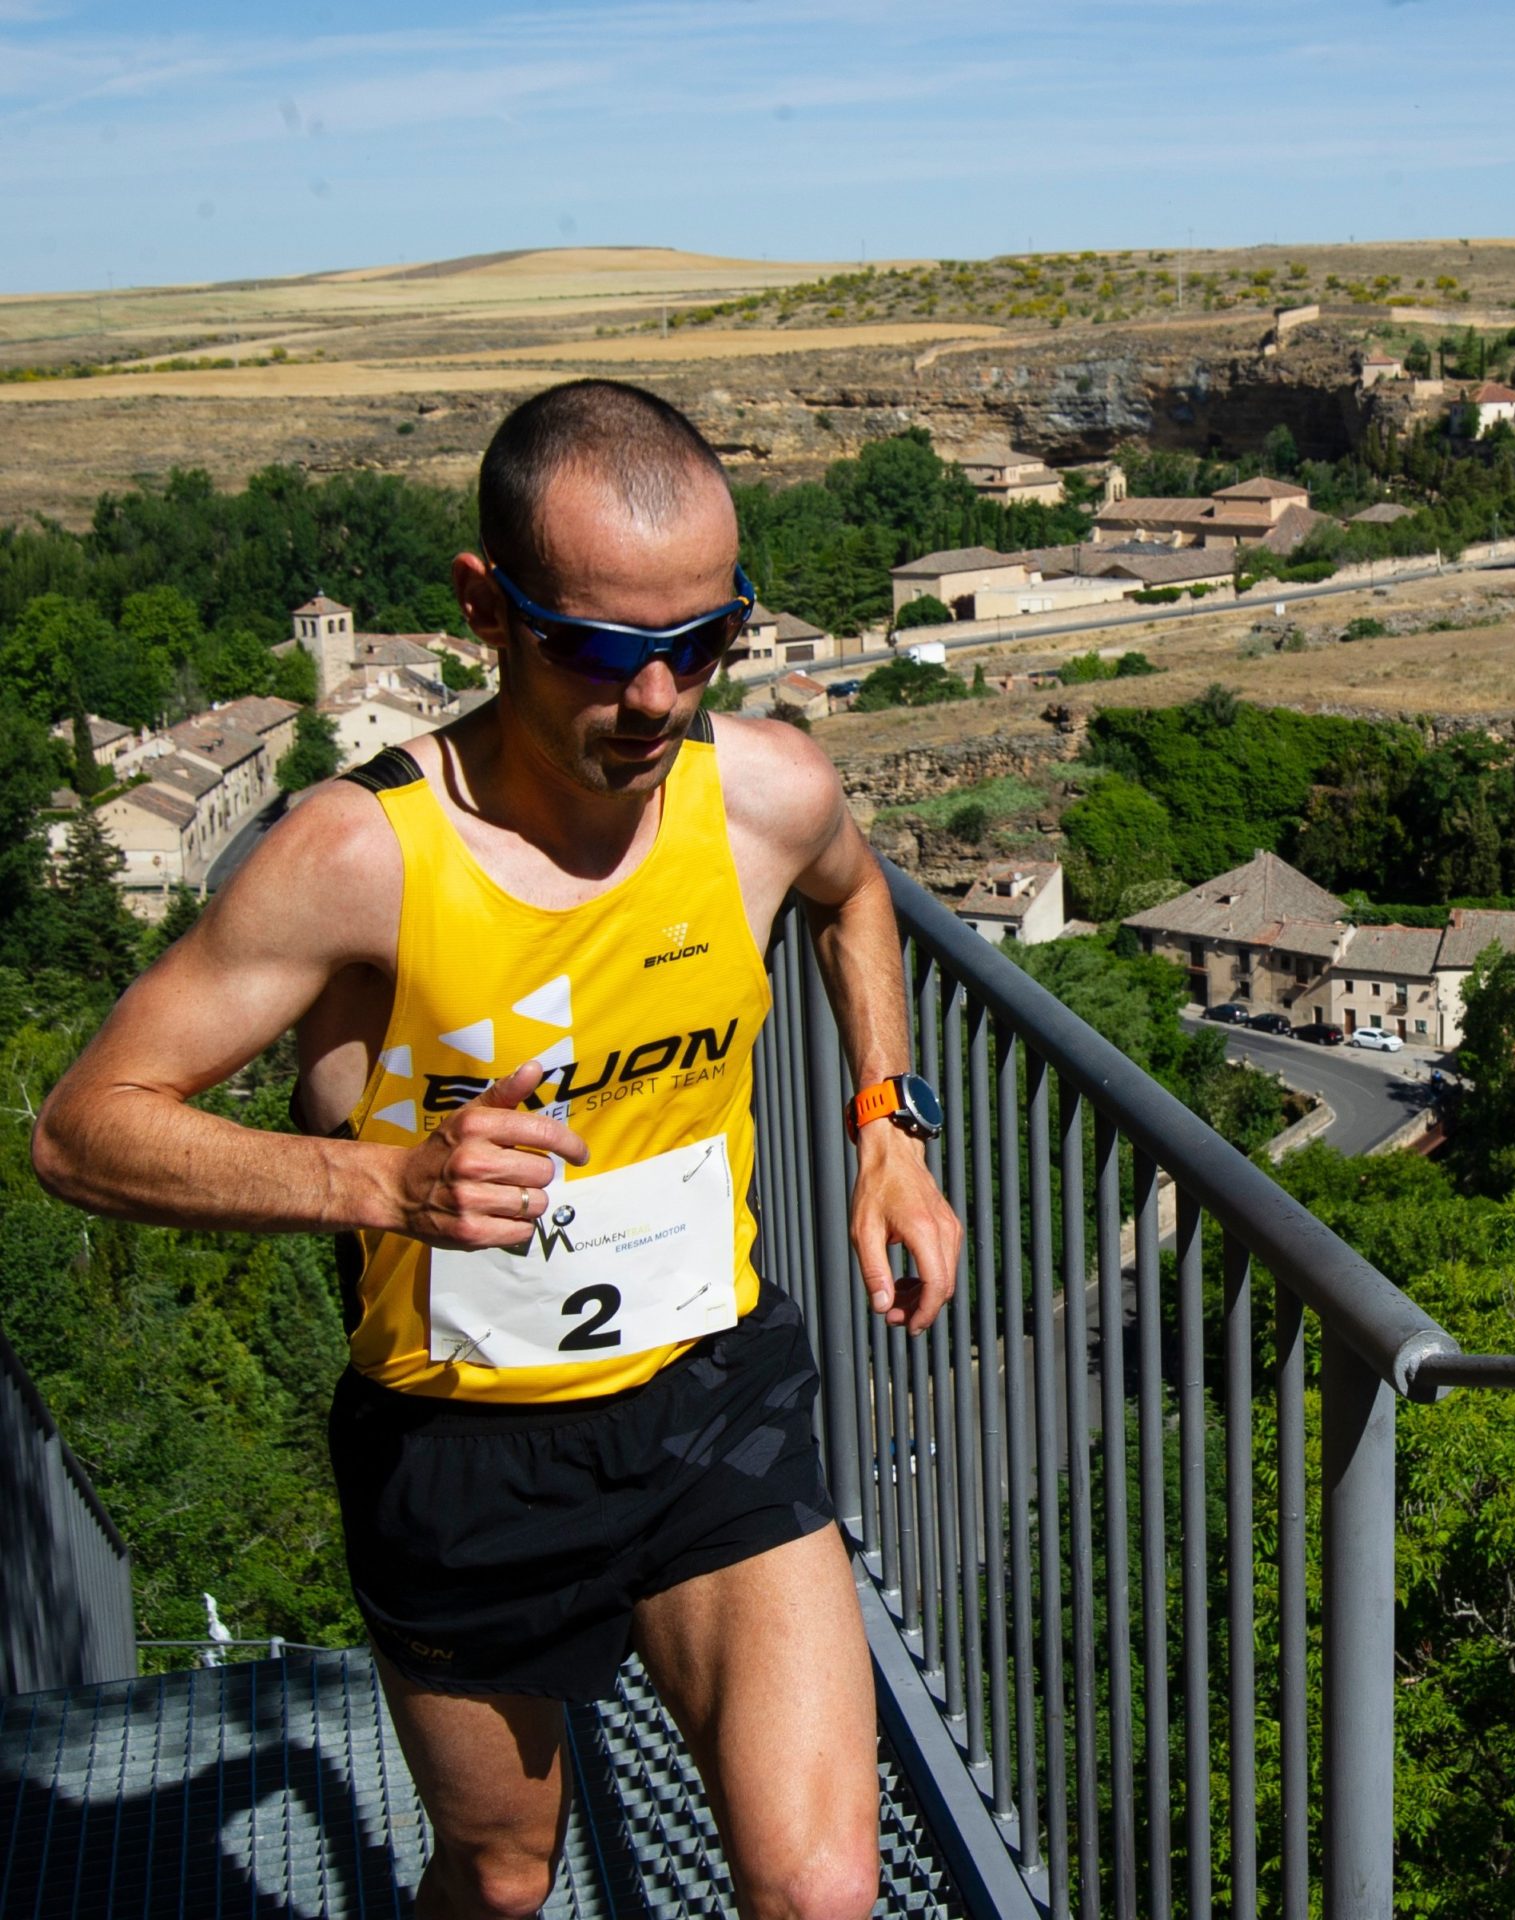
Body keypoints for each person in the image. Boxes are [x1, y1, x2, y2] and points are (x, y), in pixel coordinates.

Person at [33, 378, 962, 1920]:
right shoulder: (355, 859)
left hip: (709, 1392)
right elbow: (83, 1131)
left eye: (705, 642)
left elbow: (852, 896)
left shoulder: (766, 795)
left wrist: (887, 1124)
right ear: (486, 608)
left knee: (822, 1892)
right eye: (600, 649)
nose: (657, 697)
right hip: (462, 1445)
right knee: (504, 1877)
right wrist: (381, 1182)